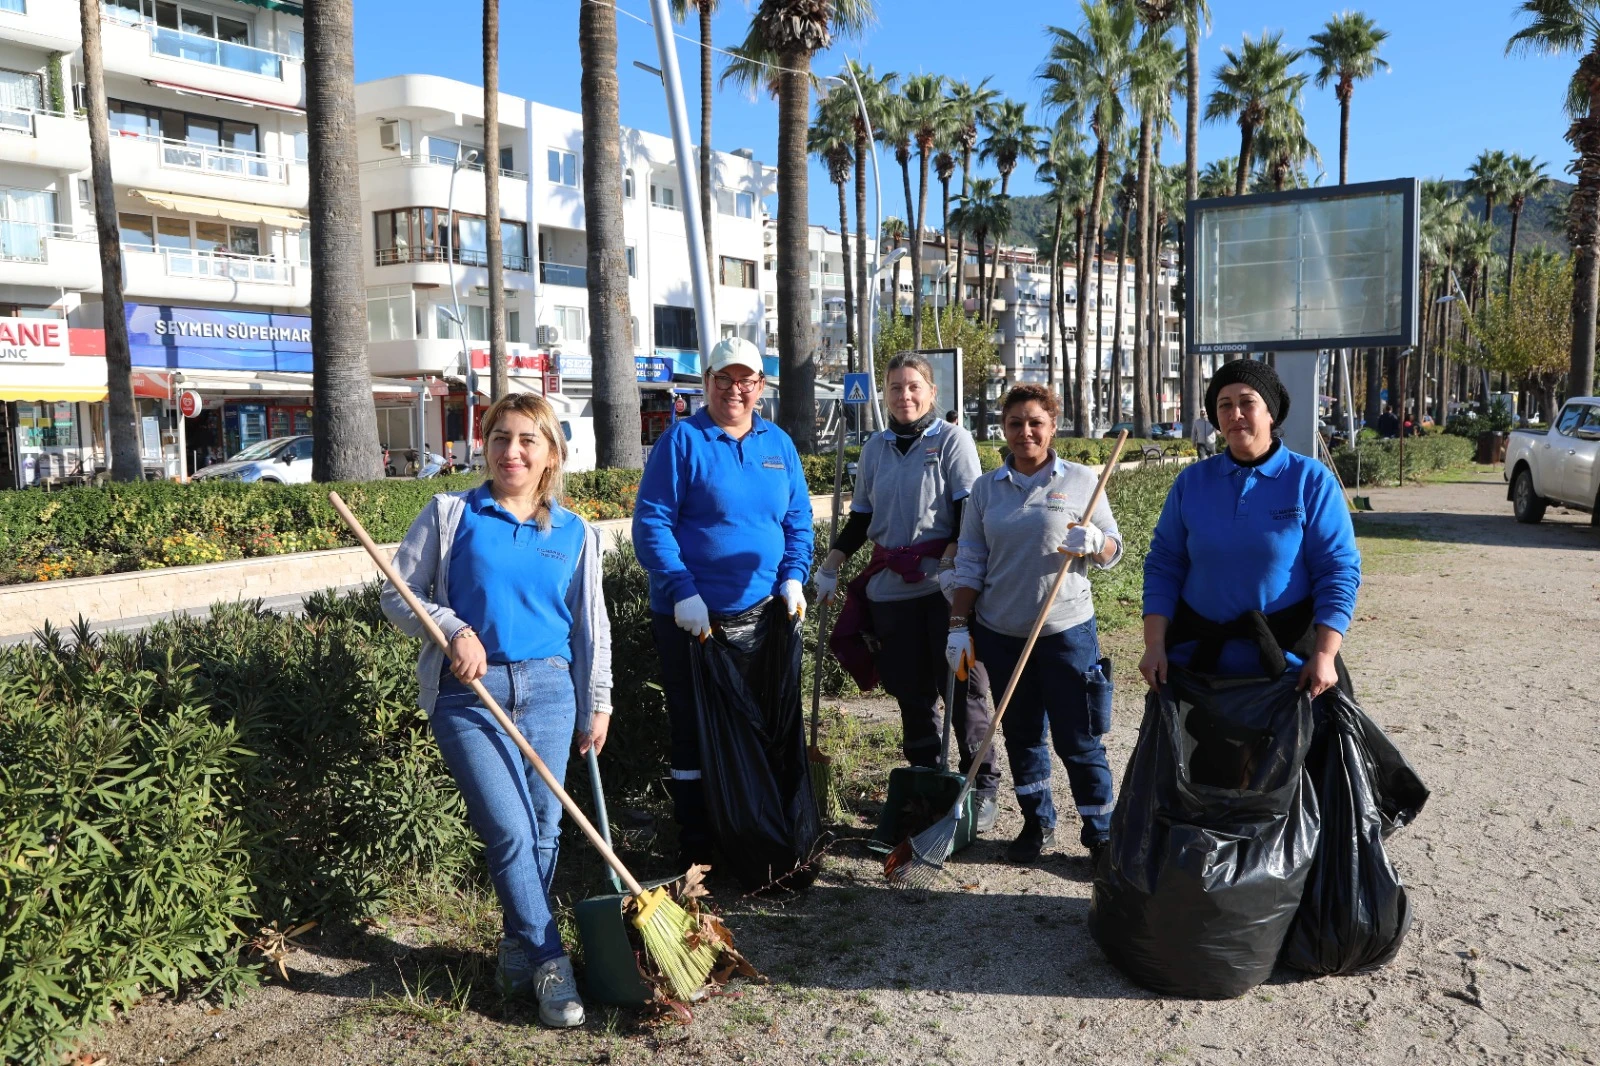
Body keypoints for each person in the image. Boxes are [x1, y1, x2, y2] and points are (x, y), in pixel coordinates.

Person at [382, 393, 612, 1029]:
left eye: (527, 441)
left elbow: (591, 628)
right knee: (509, 830)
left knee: (543, 831)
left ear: (550, 455)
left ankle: (516, 946)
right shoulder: (451, 513)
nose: (512, 452)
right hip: (469, 695)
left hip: (550, 688)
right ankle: (550, 960)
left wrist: (598, 701)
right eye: (500, 439)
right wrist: (451, 626)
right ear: (483, 447)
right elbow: (397, 594)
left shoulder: (574, 533)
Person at [632, 336, 814, 870]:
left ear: (760, 387)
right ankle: (696, 845)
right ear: (706, 382)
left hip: (764, 616)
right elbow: (653, 523)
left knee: (762, 724)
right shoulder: (683, 441)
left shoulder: (778, 445)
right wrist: (682, 590)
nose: (735, 390)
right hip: (692, 621)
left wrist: (794, 578)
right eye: (723, 379)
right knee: (693, 728)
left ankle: (756, 836)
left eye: (746, 381)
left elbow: (797, 522)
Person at [815, 353, 999, 833]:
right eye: (895, 387)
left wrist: (954, 560)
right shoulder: (875, 448)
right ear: (885, 394)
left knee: (963, 687)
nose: (905, 396)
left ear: (932, 392)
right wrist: (832, 565)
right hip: (891, 591)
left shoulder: (952, 440)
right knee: (911, 691)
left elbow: (968, 509)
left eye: (914, 386)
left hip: (943, 588)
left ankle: (982, 784)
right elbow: (861, 517)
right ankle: (924, 781)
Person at [947, 383, 1124, 863]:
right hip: (1001, 634)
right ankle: (1036, 823)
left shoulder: (1084, 481)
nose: (1025, 431)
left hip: (1066, 633)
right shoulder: (985, 489)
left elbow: (1113, 549)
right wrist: (959, 625)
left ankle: (1100, 832)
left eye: (1035, 422)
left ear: (1052, 426)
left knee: (1079, 737)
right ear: (1002, 428)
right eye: (1014, 423)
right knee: (1021, 734)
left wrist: (1095, 543)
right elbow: (970, 560)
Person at [1139, 359, 1360, 702]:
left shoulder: (1311, 481)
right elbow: (1165, 563)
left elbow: (1338, 570)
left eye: (1247, 402)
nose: (1235, 413)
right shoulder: (1192, 483)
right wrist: (1154, 644)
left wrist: (1325, 654)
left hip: (1288, 666)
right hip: (1199, 663)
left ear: (1271, 412)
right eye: (1224, 405)